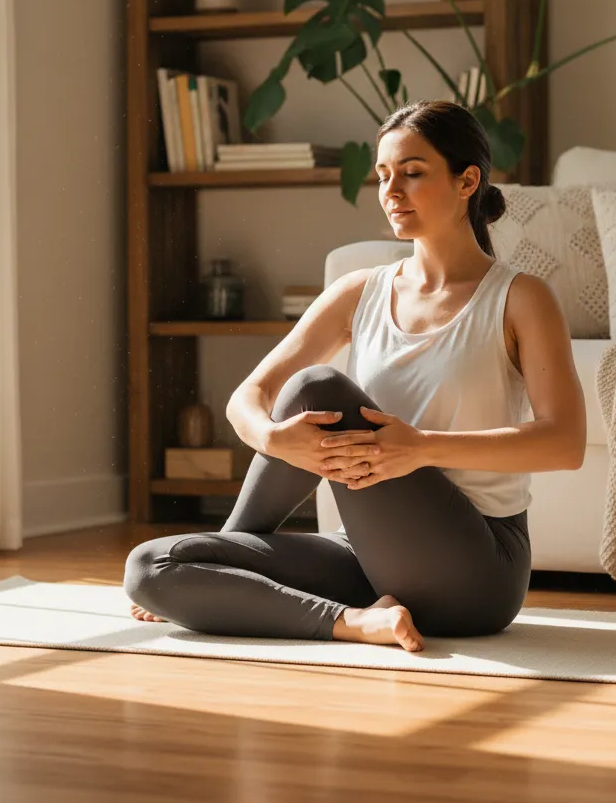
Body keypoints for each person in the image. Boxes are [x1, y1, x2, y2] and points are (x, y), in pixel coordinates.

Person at [124, 99, 586, 651]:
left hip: (479, 568)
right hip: (369, 557)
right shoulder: (359, 291)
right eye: (384, 176)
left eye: (412, 174)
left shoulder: (519, 298)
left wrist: (420, 448)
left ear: (468, 182)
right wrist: (273, 437)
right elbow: (250, 395)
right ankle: (354, 621)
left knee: (315, 388)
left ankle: (225, 566)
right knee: (151, 565)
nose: (391, 192)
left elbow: (565, 443)